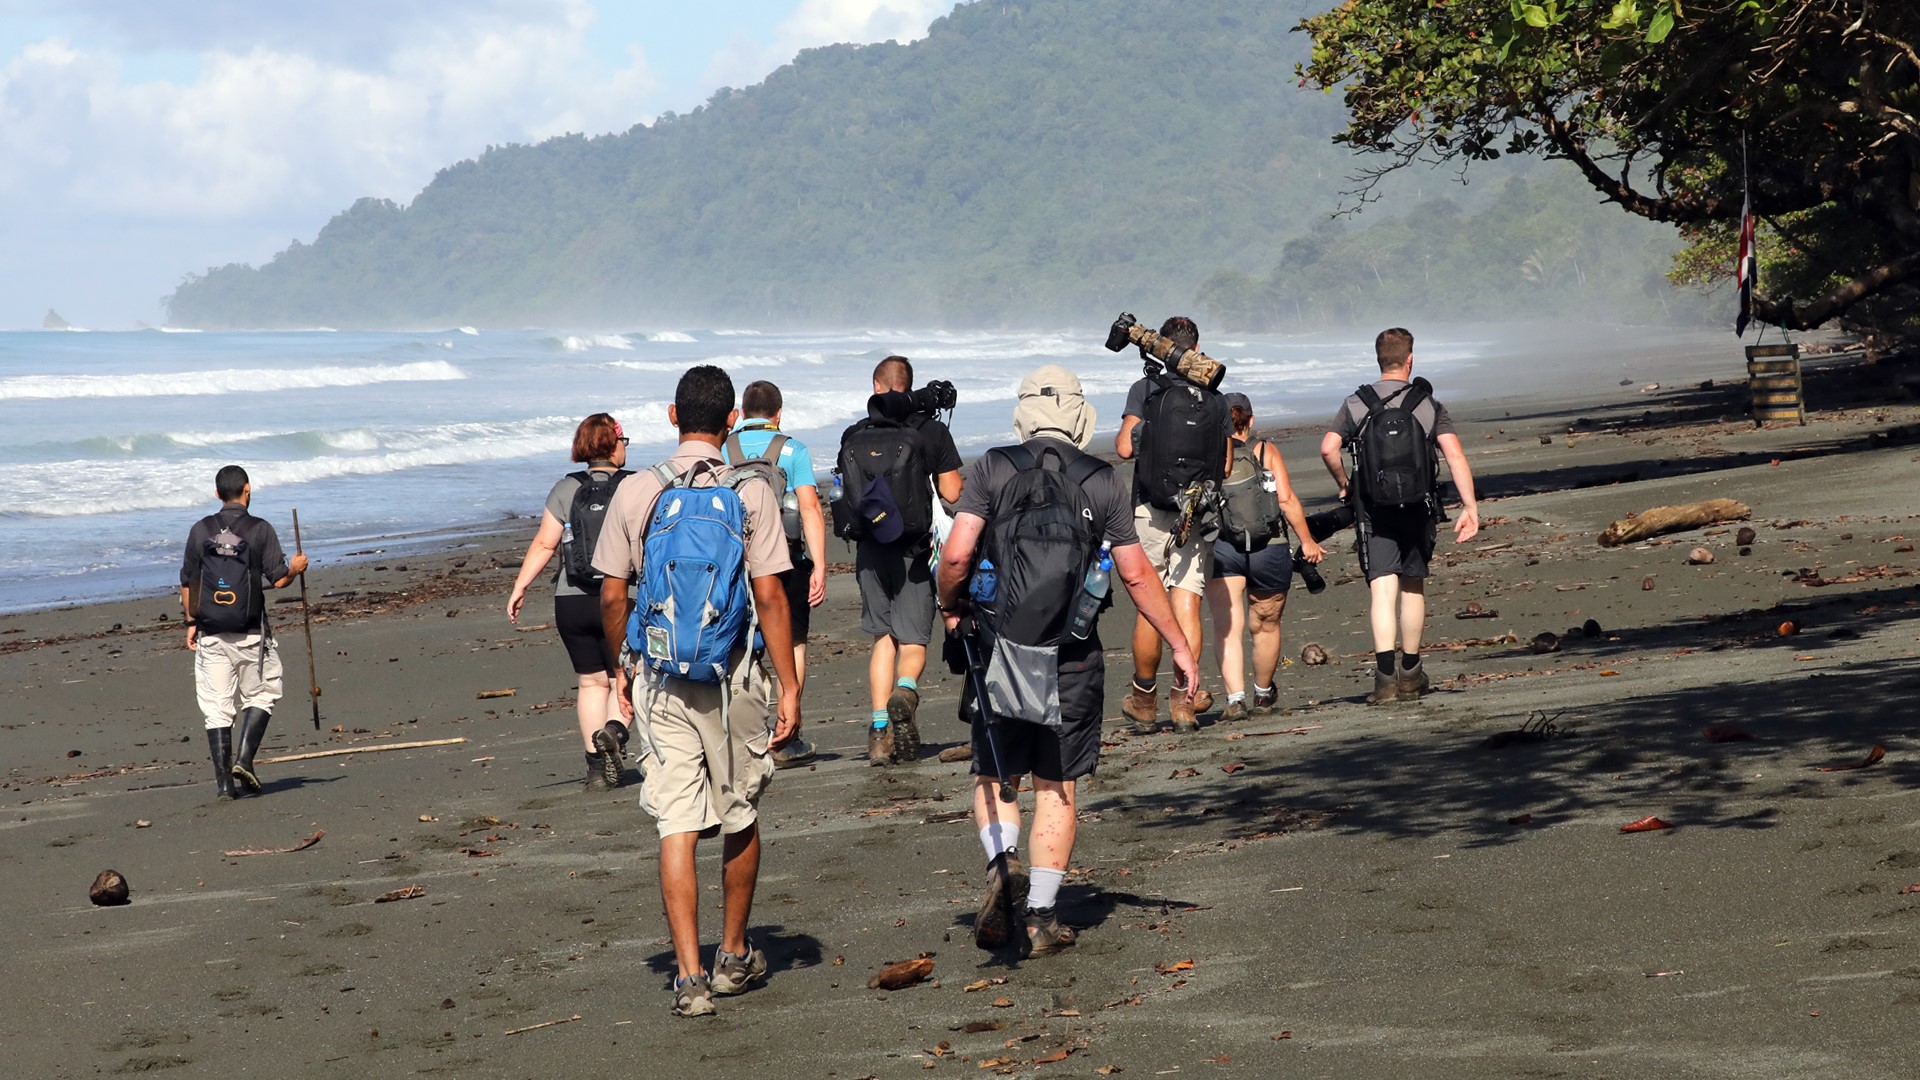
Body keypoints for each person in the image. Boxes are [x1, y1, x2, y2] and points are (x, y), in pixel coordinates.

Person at [938, 365, 1199, 958]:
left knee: (996, 773)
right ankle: (1040, 918)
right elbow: (1134, 573)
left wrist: (952, 609)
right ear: (1082, 416)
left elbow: (956, 558)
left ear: (1022, 412)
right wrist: (1179, 644)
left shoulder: (991, 468)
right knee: (1057, 788)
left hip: (999, 647)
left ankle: (1003, 866)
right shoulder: (1103, 481)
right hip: (1072, 656)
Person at [592, 364, 802, 1018]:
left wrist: (623, 666)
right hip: (735, 670)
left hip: (661, 674)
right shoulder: (752, 490)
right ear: (731, 420)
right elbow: (769, 593)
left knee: (677, 822)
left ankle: (688, 978)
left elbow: (610, 593)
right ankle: (734, 954)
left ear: (671, 414)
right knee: (739, 809)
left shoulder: (639, 490)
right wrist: (788, 683)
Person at [1319, 327, 1480, 703]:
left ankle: (1384, 679)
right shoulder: (1427, 404)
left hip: (1374, 508)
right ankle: (1411, 673)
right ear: (1410, 360)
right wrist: (1470, 507)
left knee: (1382, 588)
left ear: (1379, 360)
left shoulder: (1356, 403)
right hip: (1418, 506)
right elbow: (1454, 456)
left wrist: (1345, 483)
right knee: (1412, 586)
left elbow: (1328, 448)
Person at [838, 355, 963, 765]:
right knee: (913, 641)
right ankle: (905, 692)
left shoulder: (854, 434)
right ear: (908, 387)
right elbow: (953, 492)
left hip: (871, 548)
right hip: (916, 550)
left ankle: (878, 732)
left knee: (882, 639)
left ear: (876, 386)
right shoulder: (931, 431)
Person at [1114, 316, 1231, 734]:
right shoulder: (1215, 396)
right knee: (1187, 602)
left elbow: (1125, 447)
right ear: (1196, 348)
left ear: (1160, 347)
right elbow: (1227, 463)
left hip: (1151, 507)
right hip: (1196, 512)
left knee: (1151, 603)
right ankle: (1184, 700)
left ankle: (1144, 700)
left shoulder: (1146, 388)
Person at [506, 413, 634, 791]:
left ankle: (596, 769)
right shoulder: (635, 486)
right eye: (624, 441)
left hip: (571, 600)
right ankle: (614, 732)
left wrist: (520, 587)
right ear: (613, 444)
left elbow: (545, 544)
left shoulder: (565, 488)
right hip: (621, 596)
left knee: (592, 683)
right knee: (629, 678)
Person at [178, 465, 309, 801]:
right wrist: (294, 568)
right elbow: (278, 578)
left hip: (210, 631)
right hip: (251, 631)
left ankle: (224, 787)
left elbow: (188, 582)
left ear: (217, 493)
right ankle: (244, 760)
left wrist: (191, 624)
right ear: (247, 490)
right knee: (263, 693)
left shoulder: (200, 530)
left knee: (216, 707)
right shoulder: (259, 529)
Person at [721, 380, 823, 768]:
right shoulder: (792, 449)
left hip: (736, 561)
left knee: (737, 645)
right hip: (785, 561)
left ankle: (743, 736)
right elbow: (810, 509)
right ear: (779, 414)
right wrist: (819, 565)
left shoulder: (724, 449)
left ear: (742, 413)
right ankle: (785, 736)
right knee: (792, 643)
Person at [1207, 394, 1325, 722]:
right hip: (1269, 547)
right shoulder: (1266, 451)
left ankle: (1234, 699)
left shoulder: (1212, 455)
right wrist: (1307, 540)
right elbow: (1285, 501)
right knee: (1265, 624)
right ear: (1251, 420)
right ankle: (1262, 694)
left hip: (1222, 547)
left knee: (1226, 625)